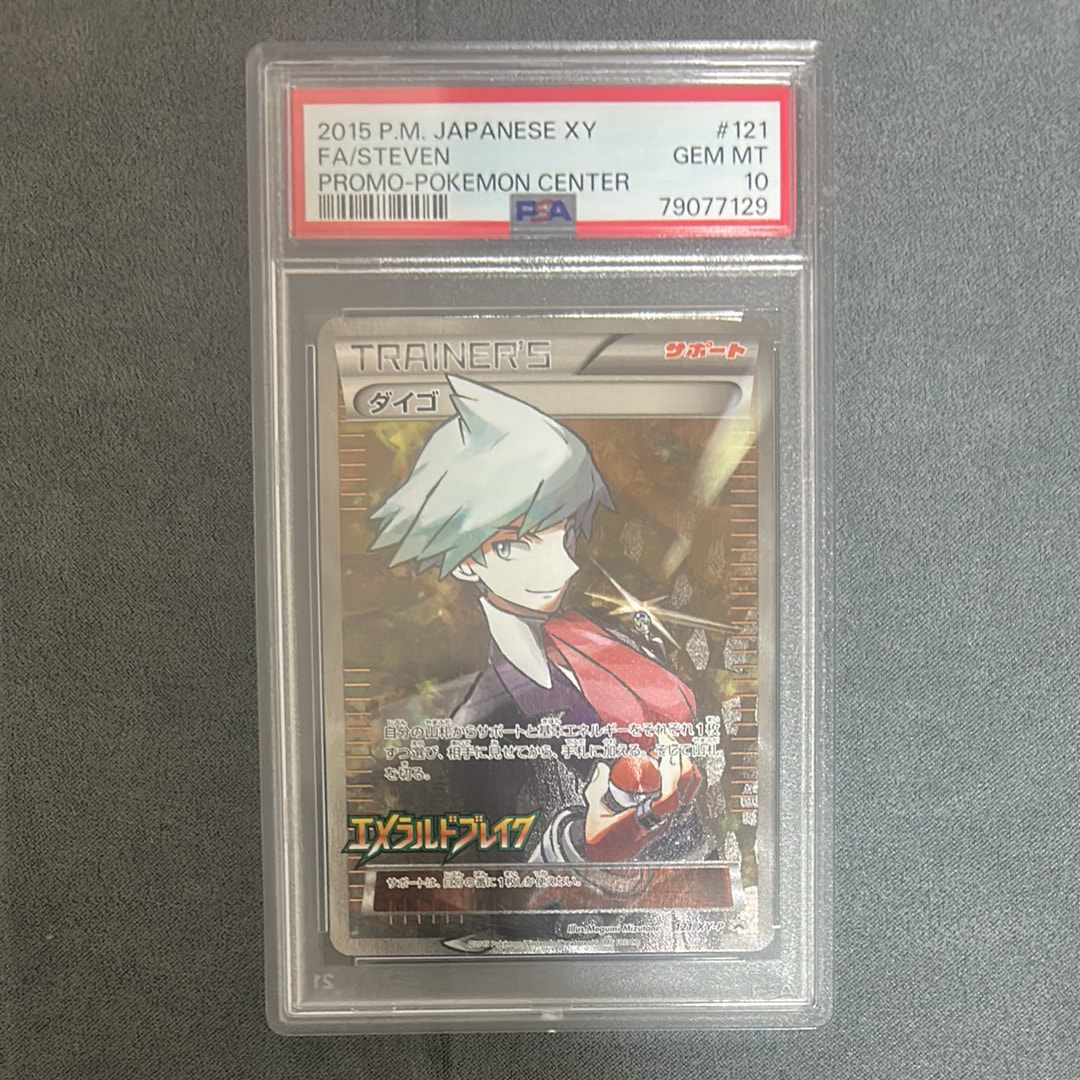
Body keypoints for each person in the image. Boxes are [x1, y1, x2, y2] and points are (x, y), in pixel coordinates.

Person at [371, 376, 712, 866]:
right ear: (465, 561)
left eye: (565, 533)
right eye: (516, 544)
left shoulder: (606, 638)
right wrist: (580, 848)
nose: (564, 565)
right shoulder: (479, 723)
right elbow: (494, 883)